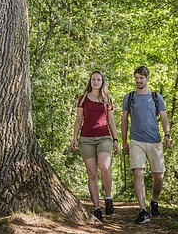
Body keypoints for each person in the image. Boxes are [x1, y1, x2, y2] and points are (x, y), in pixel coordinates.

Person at [121, 65, 171, 224]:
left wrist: (167, 135)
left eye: (141, 78)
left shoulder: (156, 97)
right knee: (138, 173)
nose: (138, 80)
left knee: (159, 175)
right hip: (136, 140)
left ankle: (154, 201)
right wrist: (124, 141)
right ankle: (142, 210)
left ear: (147, 79)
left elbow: (164, 118)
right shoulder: (129, 97)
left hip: (155, 141)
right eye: (136, 78)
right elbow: (124, 120)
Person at [70, 70, 119, 222]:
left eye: (98, 79)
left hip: (104, 137)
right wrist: (74, 137)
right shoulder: (83, 98)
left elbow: (111, 121)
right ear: (90, 81)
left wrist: (116, 139)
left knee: (104, 166)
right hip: (86, 139)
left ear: (102, 82)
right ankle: (97, 208)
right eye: (93, 79)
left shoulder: (107, 98)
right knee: (92, 174)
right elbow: (79, 120)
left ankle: (108, 197)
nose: (95, 82)